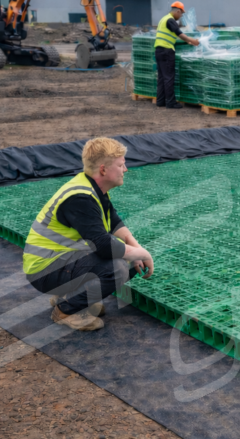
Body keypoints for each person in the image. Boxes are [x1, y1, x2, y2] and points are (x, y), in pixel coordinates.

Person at [23, 137, 155, 331]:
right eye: (121, 165)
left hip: (59, 261)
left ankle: (73, 297)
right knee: (119, 266)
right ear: (103, 169)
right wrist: (142, 254)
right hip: (44, 270)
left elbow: (114, 221)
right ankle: (66, 310)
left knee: (131, 258)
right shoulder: (80, 198)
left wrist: (138, 249)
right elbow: (103, 246)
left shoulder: (92, 188)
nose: (125, 170)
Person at [154, 1, 200, 109]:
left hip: (159, 50)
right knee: (169, 77)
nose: (180, 16)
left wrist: (186, 41)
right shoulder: (171, 20)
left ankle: (160, 101)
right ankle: (171, 103)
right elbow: (179, 33)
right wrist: (193, 41)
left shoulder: (163, 19)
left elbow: (172, 34)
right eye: (181, 14)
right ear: (178, 11)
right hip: (166, 51)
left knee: (162, 78)